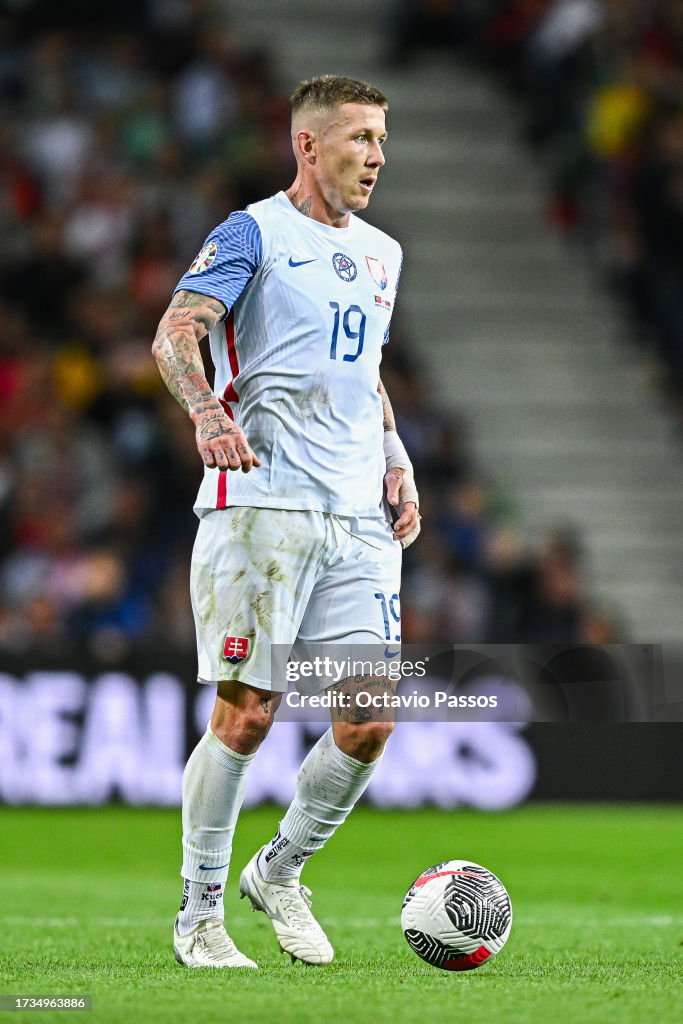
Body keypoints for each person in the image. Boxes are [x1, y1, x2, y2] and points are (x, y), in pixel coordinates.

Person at [152, 74, 420, 970]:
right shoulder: (253, 232)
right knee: (248, 714)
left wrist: (396, 459)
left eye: (381, 139)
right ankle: (198, 913)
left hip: (356, 516)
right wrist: (206, 412)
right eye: (359, 139)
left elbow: (362, 377)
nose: (375, 156)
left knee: (368, 719)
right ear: (308, 146)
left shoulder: (383, 251)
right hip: (262, 507)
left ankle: (280, 869)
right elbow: (176, 331)